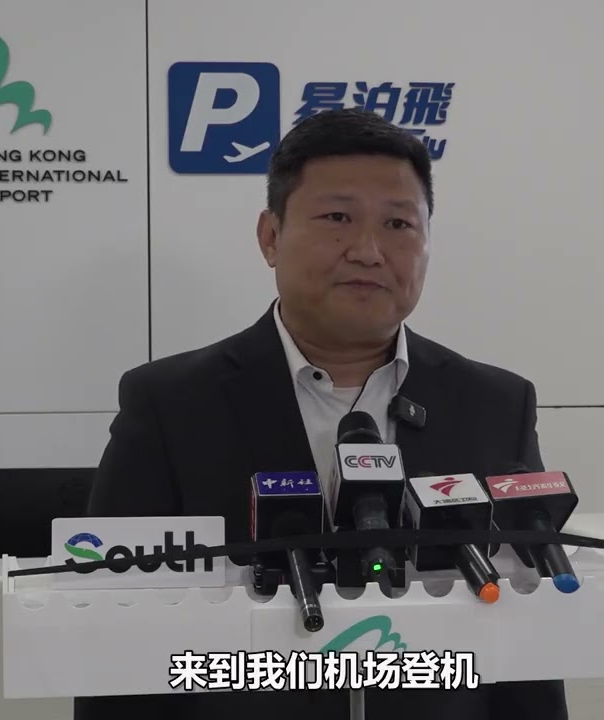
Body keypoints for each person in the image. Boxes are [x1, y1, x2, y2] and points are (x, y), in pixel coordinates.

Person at [77, 108, 568, 719]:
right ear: (270, 236)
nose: (368, 251)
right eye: (338, 218)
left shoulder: (495, 404)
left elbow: (529, 632)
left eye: (398, 224)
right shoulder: (170, 404)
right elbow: (113, 633)